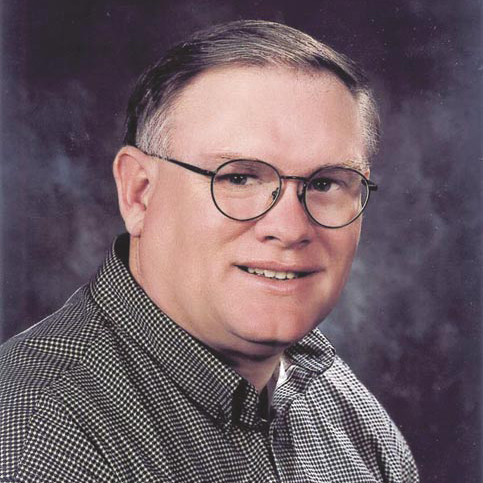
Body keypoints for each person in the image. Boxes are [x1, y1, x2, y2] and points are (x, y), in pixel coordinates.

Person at [0, 20, 419, 482]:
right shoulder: (41, 437)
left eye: (325, 184)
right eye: (239, 177)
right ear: (139, 194)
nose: (289, 229)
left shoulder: (355, 421)